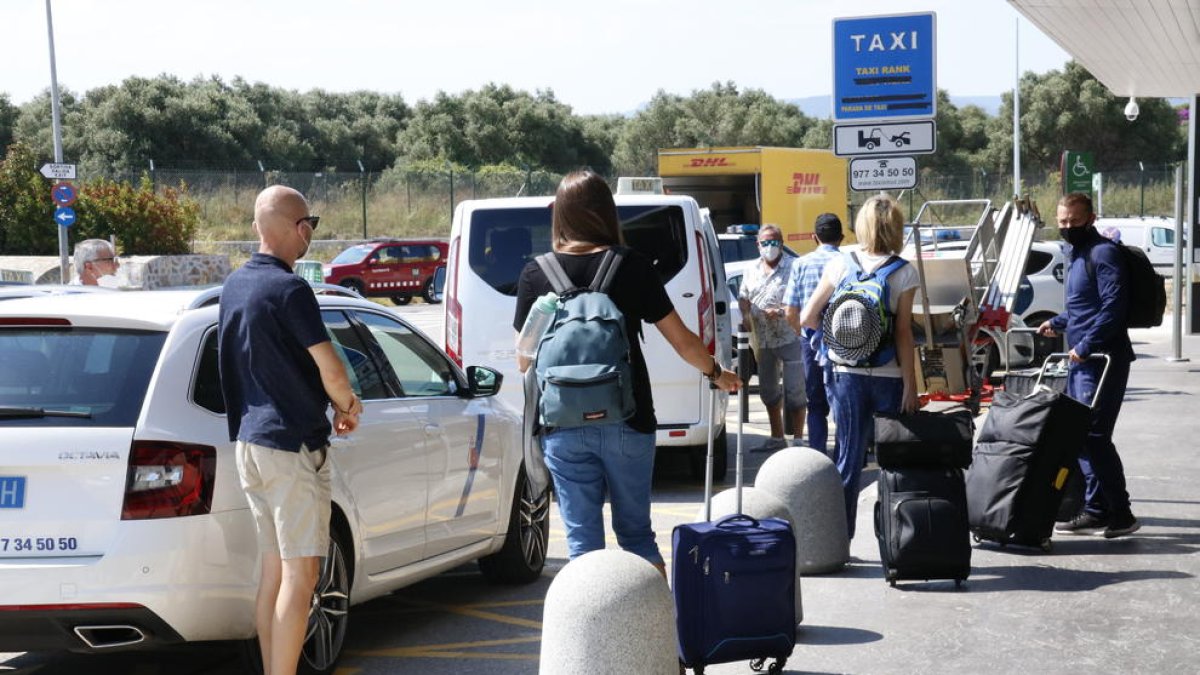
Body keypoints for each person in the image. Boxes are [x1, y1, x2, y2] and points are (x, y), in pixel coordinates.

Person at [514, 170, 740, 575]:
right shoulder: (631, 265)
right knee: (637, 536)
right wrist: (716, 373)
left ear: (559, 216)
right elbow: (682, 340)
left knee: (583, 542)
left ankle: (593, 636)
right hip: (628, 417)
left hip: (561, 423)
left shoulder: (537, 272)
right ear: (606, 212)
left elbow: (524, 359)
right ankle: (653, 629)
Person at [218, 185, 364, 675]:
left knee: (274, 573)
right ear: (295, 226)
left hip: (251, 444)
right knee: (302, 577)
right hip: (290, 445)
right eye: (310, 223)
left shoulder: (235, 285)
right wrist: (347, 405)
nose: (311, 233)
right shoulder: (290, 288)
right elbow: (331, 367)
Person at [799, 195, 919, 538]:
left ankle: (840, 539)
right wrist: (911, 386)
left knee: (847, 460)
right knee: (892, 462)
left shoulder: (841, 263)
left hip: (845, 375)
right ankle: (897, 539)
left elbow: (808, 316)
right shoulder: (904, 271)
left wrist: (832, 347)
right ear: (896, 227)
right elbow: (903, 333)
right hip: (888, 376)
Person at [1040, 192, 1140, 539]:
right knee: (1081, 436)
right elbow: (1084, 307)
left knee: (1095, 436)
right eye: (1062, 221)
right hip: (1084, 360)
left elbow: (1113, 307)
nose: (1067, 228)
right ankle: (1096, 510)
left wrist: (1085, 344)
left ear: (1091, 218)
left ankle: (1121, 513)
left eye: (1074, 221)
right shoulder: (1076, 253)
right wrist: (1060, 321)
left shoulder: (1103, 253)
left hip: (1104, 359)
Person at [737, 224, 806, 451]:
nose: (770, 247)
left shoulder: (794, 267)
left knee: (796, 390)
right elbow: (744, 297)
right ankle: (777, 437)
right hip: (763, 338)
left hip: (790, 336)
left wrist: (782, 312)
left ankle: (797, 438)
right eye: (765, 242)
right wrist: (746, 313)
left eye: (774, 242)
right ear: (758, 245)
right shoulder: (751, 269)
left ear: (782, 243)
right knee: (768, 389)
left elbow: (803, 299)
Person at [784, 213, 845, 458]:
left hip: (810, 341)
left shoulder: (801, 264)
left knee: (816, 403)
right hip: (847, 342)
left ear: (814, 237)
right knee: (843, 401)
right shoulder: (850, 262)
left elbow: (791, 311)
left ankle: (818, 454)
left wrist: (804, 336)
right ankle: (845, 454)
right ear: (841, 238)